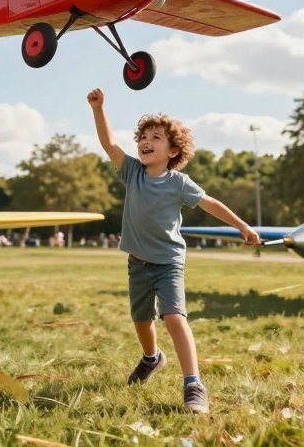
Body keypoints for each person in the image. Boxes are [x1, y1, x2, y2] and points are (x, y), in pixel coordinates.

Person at [87, 87, 261, 414]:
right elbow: (109, 144)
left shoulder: (178, 182)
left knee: (174, 317)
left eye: (156, 137)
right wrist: (99, 109)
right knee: (141, 320)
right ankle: (152, 358)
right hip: (137, 262)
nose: (146, 141)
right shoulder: (132, 172)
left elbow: (210, 203)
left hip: (168, 263)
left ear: (172, 151)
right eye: (143, 136)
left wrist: (242, 225)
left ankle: (193, 384)